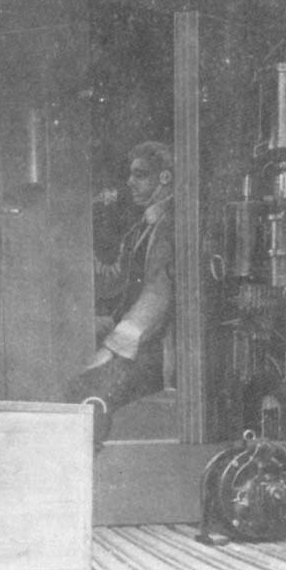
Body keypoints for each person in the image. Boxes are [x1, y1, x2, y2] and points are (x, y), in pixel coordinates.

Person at [67, 141, 174, 447]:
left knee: (87, 388)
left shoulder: (170, 227)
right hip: (138, 341)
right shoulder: (143, 227)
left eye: (139, 175)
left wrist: (111, 347)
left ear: (164, 178)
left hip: (156, 349)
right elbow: (116, 280)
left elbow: (158, 296)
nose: (130, 182)